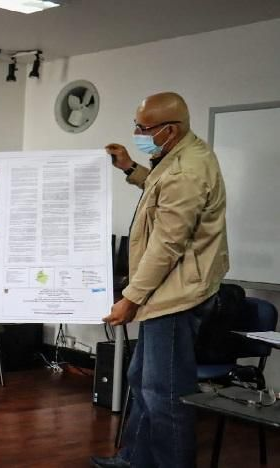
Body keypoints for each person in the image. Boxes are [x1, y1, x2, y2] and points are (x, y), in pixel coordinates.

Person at [90, 92, 229, 468]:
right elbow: (159, 190)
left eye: (144, 128)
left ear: (171, 129)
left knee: (164, 393)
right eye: (136, 125)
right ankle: (135, 459)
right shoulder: (180, 154)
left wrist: (130, 297)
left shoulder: (187, 170)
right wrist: (129, 168)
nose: (138, 133)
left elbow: (167, 244)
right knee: (141, 379)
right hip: (165, 292)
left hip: (175, 297)